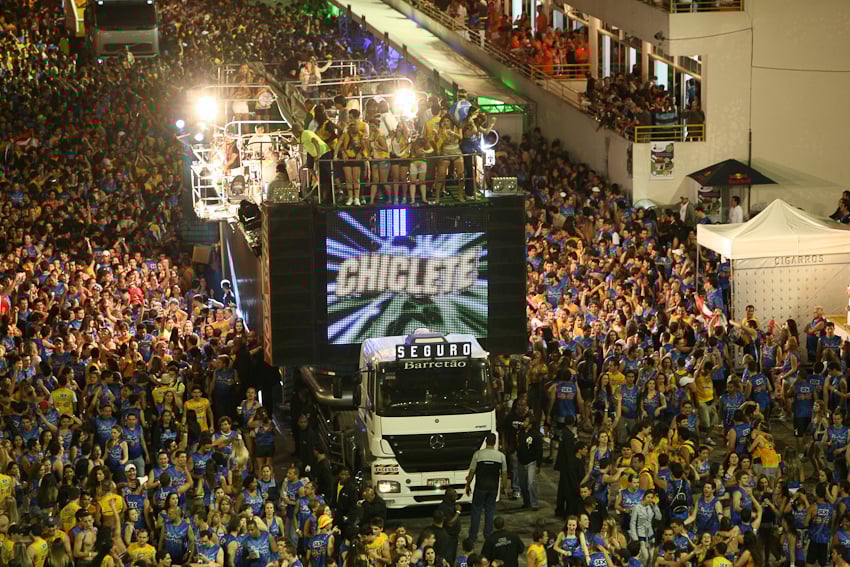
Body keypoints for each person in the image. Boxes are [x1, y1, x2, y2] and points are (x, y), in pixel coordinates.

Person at [465, 433, 508, 542]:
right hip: (493, 488)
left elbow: (472, 471)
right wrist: (505, 487)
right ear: (495, 442)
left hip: (480, 487)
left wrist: (468, 485)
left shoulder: (478, 454)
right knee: (490, 512)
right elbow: (504, 473)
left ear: (485, 441)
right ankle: (488, 535)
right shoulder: (501, 456)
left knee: (476, 511)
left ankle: (473, 536)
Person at [291, 124, 333, 201]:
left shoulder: (306, 134)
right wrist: (287, 142)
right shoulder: (299, 137)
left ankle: (324, 192)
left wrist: (318, 154)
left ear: (297, 132)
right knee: (310, 167)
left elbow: (315, 142)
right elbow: (294, 142)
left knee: (325, 173)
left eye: (294, 132)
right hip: (313, 153)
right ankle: (317, 178)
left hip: (323, 152)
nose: (293, 134)